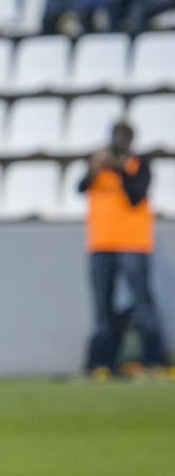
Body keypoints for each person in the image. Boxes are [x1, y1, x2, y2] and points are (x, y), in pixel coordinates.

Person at [78, 121, 168, 379]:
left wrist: (119, 170)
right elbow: (81, 187)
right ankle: (101, 363)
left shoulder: (140, 164)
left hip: (133, 243)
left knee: (142, 304)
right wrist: (96, 167)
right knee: (102, 307)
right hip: (100, 243)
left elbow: (136, 195)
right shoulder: (98, 164)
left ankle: (154, 358)